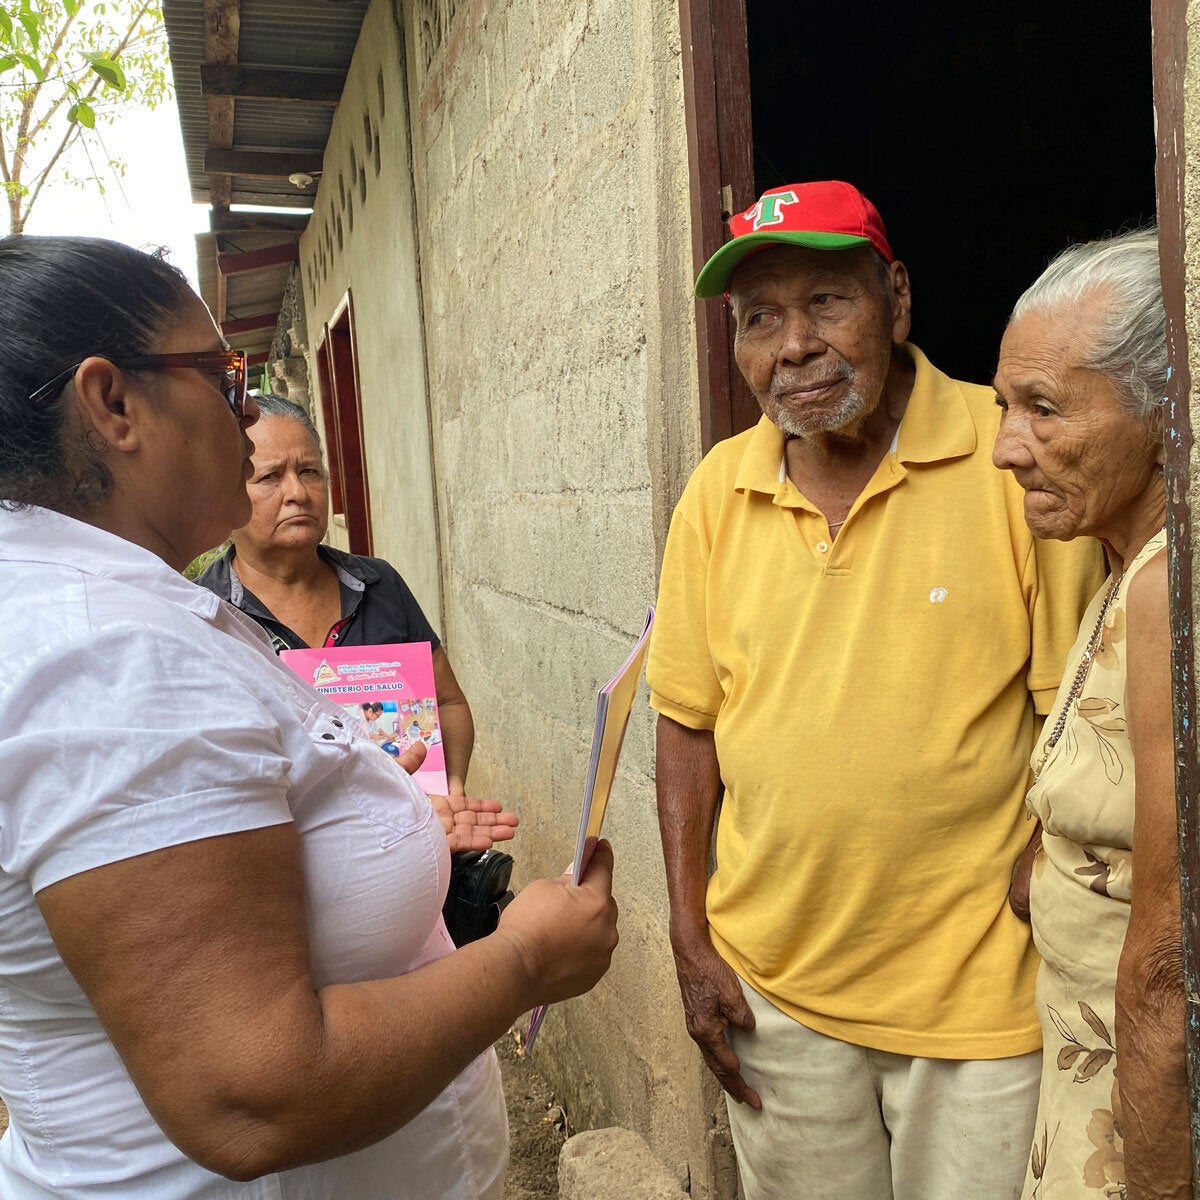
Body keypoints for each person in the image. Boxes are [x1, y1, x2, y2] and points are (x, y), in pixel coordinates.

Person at [0, 234, 619, 1199]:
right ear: (112, 403)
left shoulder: (135, 612)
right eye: (222, 376)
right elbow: (256, 1095)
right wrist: (527, 957)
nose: (246, 418)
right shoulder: (109, 659)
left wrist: (412, 817)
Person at [647, 180, 1106, 1200]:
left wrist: (1046, 891)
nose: (794, 346)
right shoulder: (718, 491)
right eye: (759, 317)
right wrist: (690, 936)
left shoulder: (1009, 454)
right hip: (776, 995)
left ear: (895, 300)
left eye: (826, 302)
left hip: (977, 999)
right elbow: (686, 727)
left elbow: (1076, 720)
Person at [993, 229, 1185, 1199]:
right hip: (1086, 1086)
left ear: (1162, 405)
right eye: (1002, 404)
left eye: (1043, 408)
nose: (1003, 448)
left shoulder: (1170, 589)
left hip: (1139, 1130)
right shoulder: (1115, 561)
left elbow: (1165, 974)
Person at [197, 394, 477, 797]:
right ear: (226, 491)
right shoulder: (206, 615)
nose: (297, 492)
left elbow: (449, 705)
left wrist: (450, 787)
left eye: (310, 471)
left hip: (414, 829)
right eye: (270, 477)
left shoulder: (379, 584)